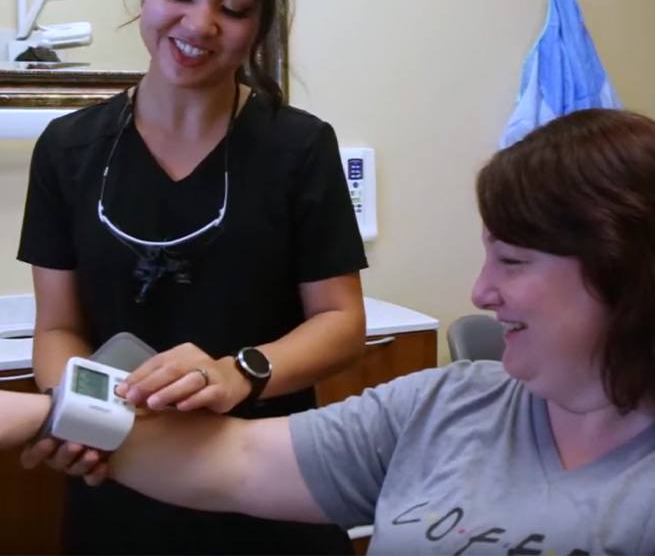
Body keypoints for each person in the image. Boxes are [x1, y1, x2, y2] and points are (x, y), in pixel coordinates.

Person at [5, 107, 655, 555]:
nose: (480, 293)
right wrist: (37, 414)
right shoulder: (445, 405)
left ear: (620, 268)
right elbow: (232, 462)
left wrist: (241, 370)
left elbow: (340, 323)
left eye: (512, 261)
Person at [16, 0, 367, 555]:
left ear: (261, 19)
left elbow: (340, 323)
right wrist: (79, 416)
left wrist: (241, 371)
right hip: (121, 478)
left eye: (233, 7)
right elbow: (58, 328)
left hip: (269, 482)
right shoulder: (67, 149)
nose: (199, 24)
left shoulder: (298, 147)